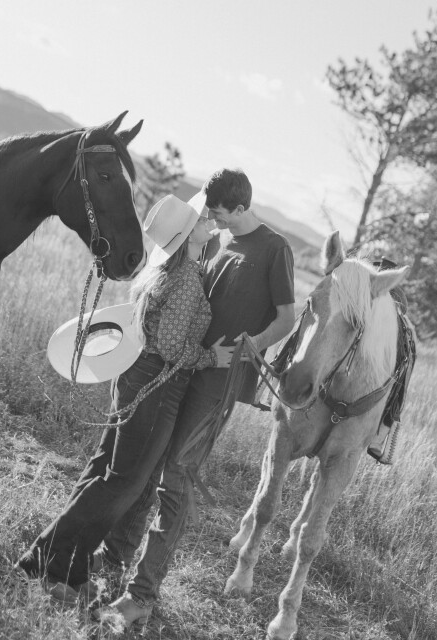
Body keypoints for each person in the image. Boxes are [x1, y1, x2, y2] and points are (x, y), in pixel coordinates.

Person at [94, 168, 296, 629]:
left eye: (219, 213)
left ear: (241, 207)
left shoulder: (275, 248)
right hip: (183, 369)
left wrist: (254, 344)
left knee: (176, 479)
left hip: (218, 383)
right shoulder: (217, 241)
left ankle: (141, 595)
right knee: (148, 467)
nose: (212, 219)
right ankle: (115, 557)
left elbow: (286, 318)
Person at [16, 194, 234, 604]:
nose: (208, 221)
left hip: (138, 376)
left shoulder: (166, 271)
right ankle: (43, 561)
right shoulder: (186, 280)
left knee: (105, 469)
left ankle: (71, 566)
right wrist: (212, 357)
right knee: (123, 482)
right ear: (187, 234)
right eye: (200, 220)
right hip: (158, 386)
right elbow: (171, 346)